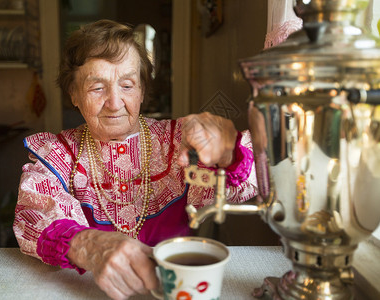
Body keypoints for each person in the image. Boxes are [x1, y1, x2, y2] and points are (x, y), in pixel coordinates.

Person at [13, 19, 257, 300]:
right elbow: (32, 218)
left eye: (127, 85)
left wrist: (227, 152)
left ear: (142, 91)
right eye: (97, 88)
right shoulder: (57, 154)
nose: (115, 102)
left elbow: (244, 183)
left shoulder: (179, 142)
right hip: (89, 292)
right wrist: (90, 245)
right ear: (75, 95)